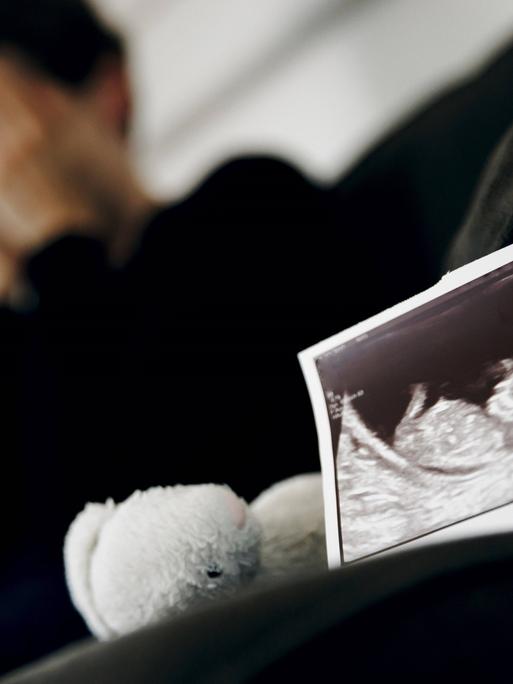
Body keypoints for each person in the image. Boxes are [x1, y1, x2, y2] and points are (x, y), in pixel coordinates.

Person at [3, 0, 513, 676]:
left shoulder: (244, 211)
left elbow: (160, 517)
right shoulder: (28, 353)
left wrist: (62, 249)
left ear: (107, 91)